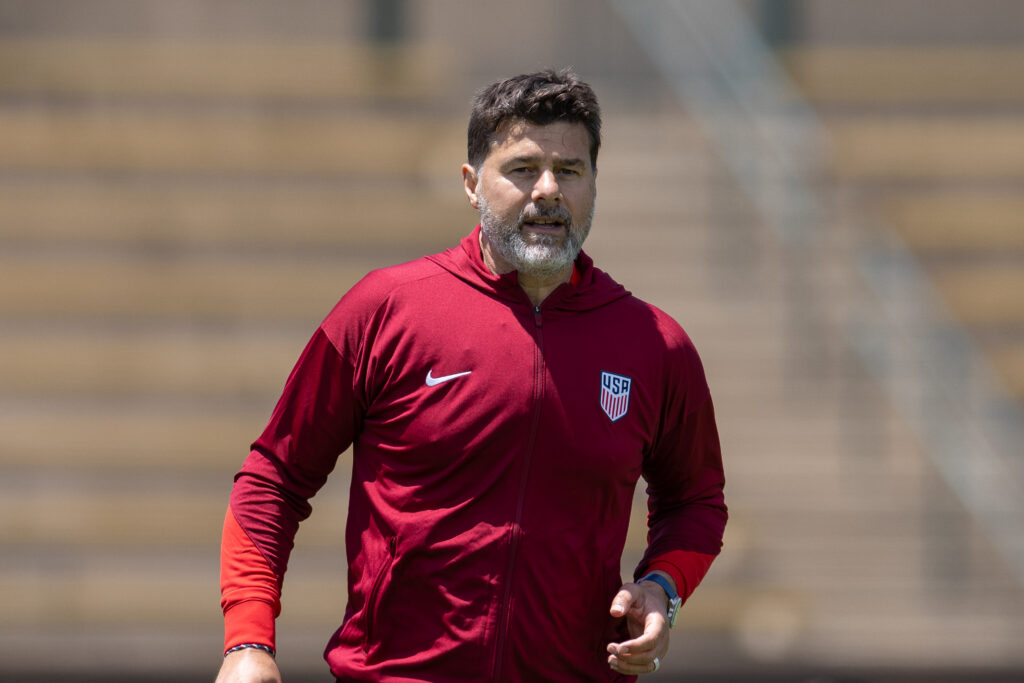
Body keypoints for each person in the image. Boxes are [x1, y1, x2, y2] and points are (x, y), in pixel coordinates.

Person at [216, 69, 727, 683]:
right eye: (522, 168)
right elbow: (273, 478)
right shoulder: (384, 309)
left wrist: (661, 586)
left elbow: (695, 501)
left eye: (570, 171)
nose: (548, 191)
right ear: (471, 183)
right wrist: (248, 642)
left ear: (595, 183)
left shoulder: (656, 345)